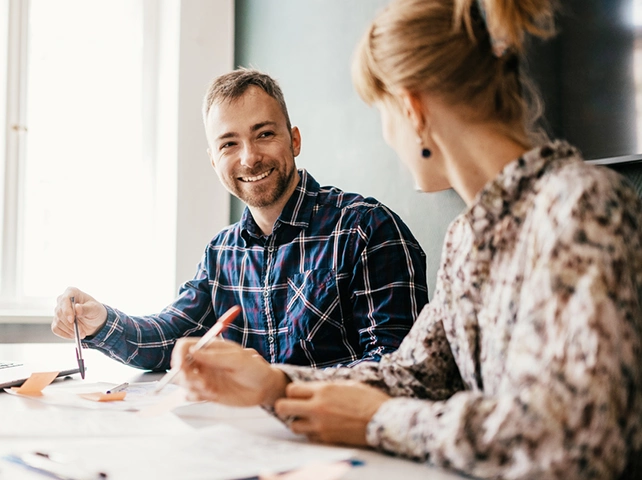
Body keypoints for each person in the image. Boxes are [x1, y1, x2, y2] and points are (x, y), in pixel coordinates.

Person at [172, 1, 642, 478]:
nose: (388, 137)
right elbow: (416, 373)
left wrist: (378, 419)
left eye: (383, 113)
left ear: (411, 109)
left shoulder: (580, 207)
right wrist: (274, 383)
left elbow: (578, 441)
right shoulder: (469, 237)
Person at [52, 68, 429, 371]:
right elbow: (167, 339)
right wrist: (100, 322)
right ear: (214, 160)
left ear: (294, 140)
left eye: (264, 134)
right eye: (229, 143)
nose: (249, 158)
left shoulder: (367, 229)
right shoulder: (222, 253)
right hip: (244, 447)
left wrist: (276, 382)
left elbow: (397, 367)